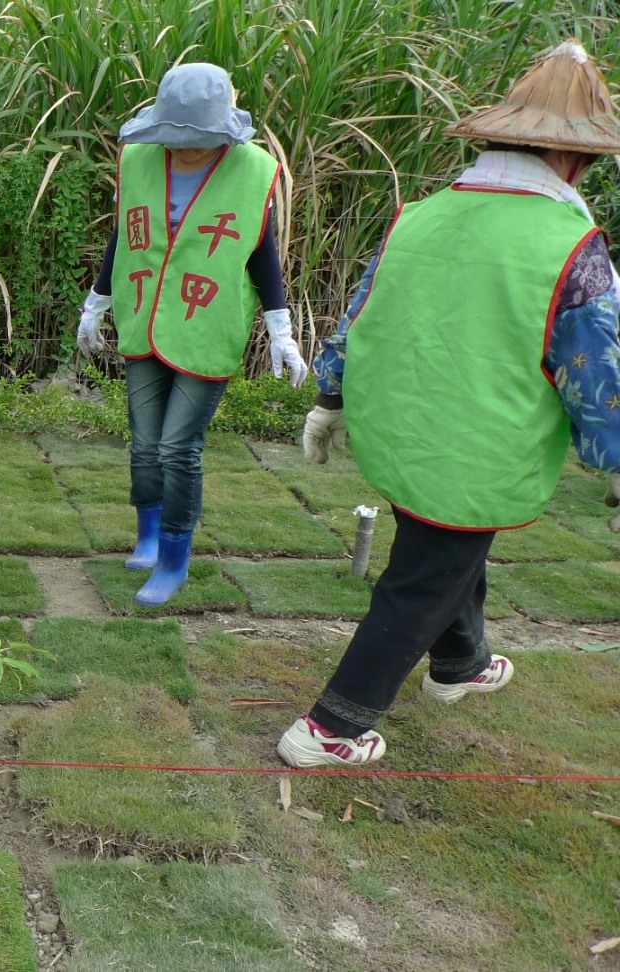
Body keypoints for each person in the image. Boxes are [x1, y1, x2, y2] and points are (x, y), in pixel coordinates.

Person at [279, 41, 620, 768]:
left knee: (445, 552)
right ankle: (332, 727)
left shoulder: (419, 215)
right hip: (481, 445)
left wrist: (331, 396)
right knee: (423, 579)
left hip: (403, 428)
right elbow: (598, 370)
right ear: (573, 160)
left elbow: (358, 311)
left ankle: (460, 665)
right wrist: (613, 454)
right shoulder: (574, 245)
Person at [77, 62, 306, 607]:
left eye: (197, 141)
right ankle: (149, 536)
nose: (183, 149)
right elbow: (122, 235)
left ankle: (175, 560)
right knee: (145, 443)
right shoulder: (138, 160)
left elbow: (261, 250)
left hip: (208, 323)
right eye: (174, 138)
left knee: (179, 447)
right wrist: (96, 302)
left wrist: (281, 329)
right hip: (144, 313)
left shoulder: (254, 170)